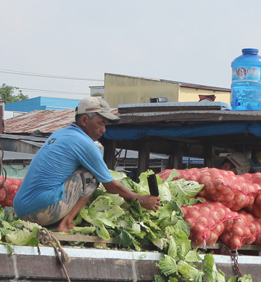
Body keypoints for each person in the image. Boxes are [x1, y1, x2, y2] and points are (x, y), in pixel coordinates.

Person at [13, 96, 160, 232]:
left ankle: (62, 220)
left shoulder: (59, 133)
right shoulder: (85, 144)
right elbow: (111, 186)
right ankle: (65, 223)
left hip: (20, 210)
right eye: (101, 123)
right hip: (39, 212)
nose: (103, 130)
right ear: (84, 120)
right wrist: (140, 199)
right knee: (91, 175)